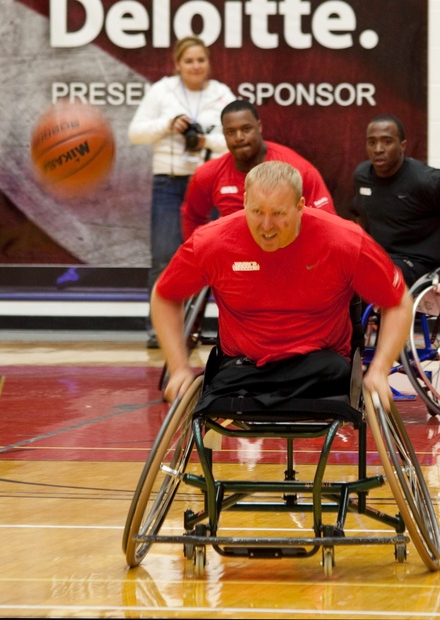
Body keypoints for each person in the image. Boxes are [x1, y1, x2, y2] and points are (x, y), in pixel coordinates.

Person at [152, 161, 413, 412]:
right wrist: (178, 369)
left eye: (278, 213)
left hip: (319, 369)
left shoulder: (344, 241)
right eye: (257, 212)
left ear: (300, 206)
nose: (266, 226)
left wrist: (379, 369)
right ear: (244, 203)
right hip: (243, 372)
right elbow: (165, 296)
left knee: (333, 369)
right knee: (215, 389)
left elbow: (398, 301)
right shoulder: (212, 243)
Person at [128, 35, 235, 348]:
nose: (195, 66)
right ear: (177, 64)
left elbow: (239, 136)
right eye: (189, 60)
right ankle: (158, 331)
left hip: (211, 183)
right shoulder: (162, 91)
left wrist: (206, 141)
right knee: (164, 258)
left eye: (201, 60)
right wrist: (168, 124)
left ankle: (219, 331)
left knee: (220, 261)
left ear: (208, 63)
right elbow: (135, 133)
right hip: (170, 184)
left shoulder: (221, 94)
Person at [350, 114, 440, 294]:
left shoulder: (427, 181)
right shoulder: (362, 176)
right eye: (371, 142)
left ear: (403, 145)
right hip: (380, 259)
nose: (378, 149)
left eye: (387, 141)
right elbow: (359, 216)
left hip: (418, 264)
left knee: (381, 274)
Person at [180, 100, 335, 240]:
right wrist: (200, 256)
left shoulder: (298, 169)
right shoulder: (208, 174)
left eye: (246, 129)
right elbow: (193, 217)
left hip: (286, 254)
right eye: (230, 132)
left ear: (259, 127)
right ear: (224, 135)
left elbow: (326, 222)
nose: (239, 137)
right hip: (236, 260)